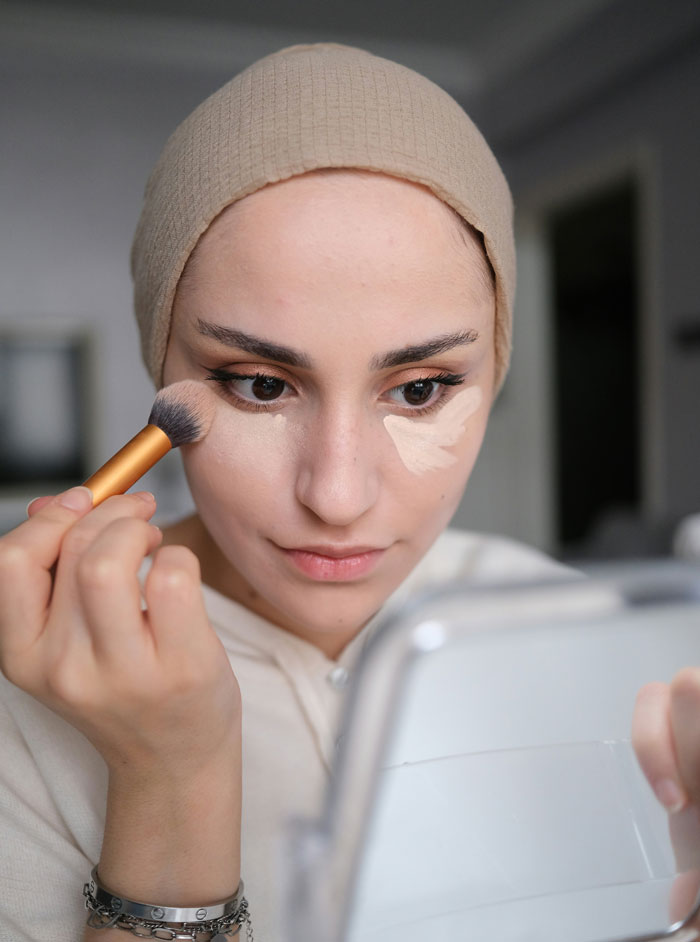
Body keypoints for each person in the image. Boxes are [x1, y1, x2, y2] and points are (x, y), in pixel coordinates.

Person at [0, 42, 697, 942]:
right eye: (258, 382)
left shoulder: (579, 631)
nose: (335, 495)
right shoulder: (29, 689)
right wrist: (172, 783)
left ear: (497, 372)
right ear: (160, 367)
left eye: (418, 389)